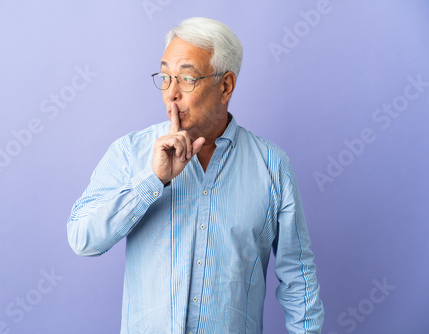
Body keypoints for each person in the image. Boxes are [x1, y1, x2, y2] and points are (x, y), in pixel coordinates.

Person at [67, 17, 324, 334]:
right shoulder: (129, 153)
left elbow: (298, 278)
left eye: (186, 79)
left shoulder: (272, 165)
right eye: (165, 77)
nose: (170, 94)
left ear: (225, 86)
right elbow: (82, 239)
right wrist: (152, 181)